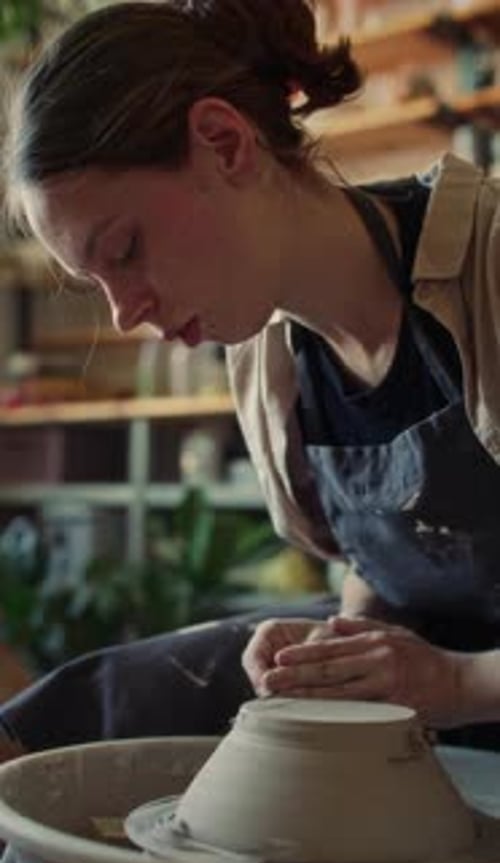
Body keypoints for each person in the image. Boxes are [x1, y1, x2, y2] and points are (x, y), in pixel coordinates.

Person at [1, 0, 500, 761]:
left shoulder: (488, 266)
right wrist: (346, 643)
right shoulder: (269, 362)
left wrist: (460, 683)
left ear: (225, 143)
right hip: (438, 702)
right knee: (69, 722)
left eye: (127, 249)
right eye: (94, 283)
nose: (126, 312)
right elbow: (379, 570)